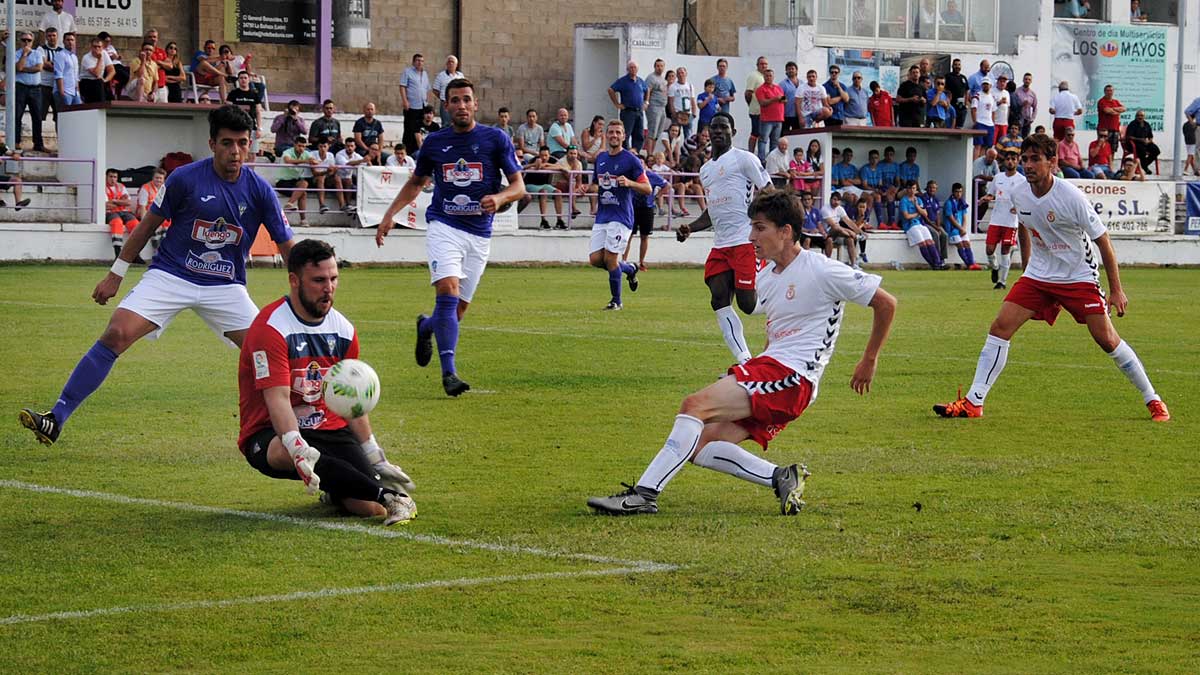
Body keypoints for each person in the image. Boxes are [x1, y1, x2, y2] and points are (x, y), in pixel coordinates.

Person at [587, 189, 897, 516]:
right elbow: (777, 334)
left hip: (794, 378)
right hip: (775, 372)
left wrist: (869, 359)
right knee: (702, 443)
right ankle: (781, 476)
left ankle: (644, 495)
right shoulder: (768, 277)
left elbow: (885, 303)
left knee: (694, 406)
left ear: (786, 232)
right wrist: (752, 369)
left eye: (760, 227)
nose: (752, 236)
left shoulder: (821, 269)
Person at [19, 106, 295, 446]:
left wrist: (303, 293)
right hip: (171, 275)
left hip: (226, 286)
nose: (235, 151)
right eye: (226, 143)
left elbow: (287, 246)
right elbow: (146, 226)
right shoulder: (184, 179)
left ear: (250, 143)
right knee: (117, 333)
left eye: (241, 143)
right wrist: (116, 274)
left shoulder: (260, 191)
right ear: (212, 143)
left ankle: (306, 432)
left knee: (269, 352)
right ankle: (56, 418)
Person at [934, 134, 1169, 423]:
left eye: (1035, 159)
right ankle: (973, 402)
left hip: (1078, 275)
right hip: (1040, 275)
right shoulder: (1020, 193)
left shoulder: (1071, 197)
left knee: (1107, 340)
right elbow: (1024, 225)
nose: (1028, 165)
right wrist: (1027, 267)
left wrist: (1116, 290)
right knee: (1000, 327)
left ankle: (1153, 399)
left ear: (1053, 162)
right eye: (1025, 159)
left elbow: (1103, 241)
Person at [237, 239, 417, 526]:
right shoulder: (269, 328)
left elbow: (350, 401)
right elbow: (278, 400)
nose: (329, 287)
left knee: (369, 509)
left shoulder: (344, 331)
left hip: (327, 428)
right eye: (319, 280)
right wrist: (297, 447)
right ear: (294, 281)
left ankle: (337, 491)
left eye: (334, 279)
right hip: (270, 432)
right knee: (287, 451)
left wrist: (374, 454)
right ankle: (392, 498)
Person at [374, 79, 525, 397]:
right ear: (446, 105)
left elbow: (518, 186)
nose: (461, 105)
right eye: (454, 100)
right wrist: (389, 215)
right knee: (448, 290)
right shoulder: (434, 143)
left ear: (475, 104)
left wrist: (499, 199)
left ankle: (426, 326)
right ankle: (449, 374)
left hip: (480, 233)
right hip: (444, 225)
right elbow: (416, 184)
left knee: (454, 313)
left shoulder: (494, 138)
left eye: (466, 99)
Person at [675, 113, 772, 364]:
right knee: (718, 298)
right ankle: (745, 361)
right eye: (714, 127)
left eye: (723, 127)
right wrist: (691, 228)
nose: (718, 131)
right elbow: (712, 210)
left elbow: (769, 191)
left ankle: (781, 301)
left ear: (733, 131)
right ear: (708, 132)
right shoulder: (706, 170)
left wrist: (766, 227)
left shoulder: (744, 159)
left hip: (744, 241)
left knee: (748, 305)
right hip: (721, 245)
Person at [589, 121, 650, 309]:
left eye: (618, 132)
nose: (614, 135)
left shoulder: (630, 159)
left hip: (621, 217)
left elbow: (647, 188)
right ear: (606, 135)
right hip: (602, 216)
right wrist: (586, 188)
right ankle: (629, 268)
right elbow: (595, 184)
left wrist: (630, 183)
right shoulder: (600, 158)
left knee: (610, 258)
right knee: (595, 259)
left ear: (624, 136)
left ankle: (616, 301)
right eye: (611, 132)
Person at [982, 148, 1027, 289]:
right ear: (1004, 161)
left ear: (1017, 161)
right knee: (989, 250)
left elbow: (1026, 198)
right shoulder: (998, 178)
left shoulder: (1022, 180)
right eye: (1008, 159)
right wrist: (986, 198)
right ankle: (995, 267)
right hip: (996, 219)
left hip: (1010, 222)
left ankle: (1002, 281)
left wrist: (1018, 207)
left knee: (1005, 251)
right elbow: (992, 194)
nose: (1010, 161)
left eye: (1013, 159)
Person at [623, 156, 668, 272]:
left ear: (645, 164)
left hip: (647, 208)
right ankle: (623, 261)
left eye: (641, 163)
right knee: (629, 235)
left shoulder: (650, 175)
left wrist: (657, 196)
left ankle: (641, 262)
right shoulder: (631, 176)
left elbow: (666, 185)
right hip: (632, 208)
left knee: (644, 236)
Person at [12, 32, 46, 152]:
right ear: (20, 41)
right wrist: (25, 55)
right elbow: (19, 68)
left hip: (35, 89)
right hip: (21, 87)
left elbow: (39, 68)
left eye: (29, 40)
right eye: (24, 40)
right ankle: (15, 142)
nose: (26, 42)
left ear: (32, 42)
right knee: (17, 116)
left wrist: (23, 69)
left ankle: (38, 144)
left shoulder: (37, 53)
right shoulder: (16, 54)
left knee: (37, 117)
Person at [899, 180, 944, 269]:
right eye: (910, 188)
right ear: (907, 189)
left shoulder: (918, 199)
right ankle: (933, 264)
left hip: (919, 224)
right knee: (923, 243)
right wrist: (917, 214)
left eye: (913, 188)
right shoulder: (903, 201)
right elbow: (907, 216)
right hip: (910, 226)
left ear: (916, 189)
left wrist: (917, 206)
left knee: (930, 241)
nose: (912, 190)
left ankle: (938, 263)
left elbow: (925, 213)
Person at [608, 61, 647, 151]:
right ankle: (625, 151)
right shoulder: (623, 81)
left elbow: (647, 89)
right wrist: (617, 104)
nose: (633, 69)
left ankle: (636, 151)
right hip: (628, 111)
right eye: (631, 67)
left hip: (639, 111)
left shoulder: (640, 81)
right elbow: (611, 90)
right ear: (628, 69)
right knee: (626, 133)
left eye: (635, 68)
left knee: (639, 134)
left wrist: (646, 102)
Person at [398, 53, 431, 153]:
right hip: (411, 106)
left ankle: (417, 149)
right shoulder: (407, 72)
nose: (420, 62)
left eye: (421, 61)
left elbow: (427, 89)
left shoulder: (425, 74)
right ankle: (406, 151)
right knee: (409, 129)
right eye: (417, 60)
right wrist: (405, 101)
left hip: (422, 106)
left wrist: (427, 102)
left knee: (419, 129)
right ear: (413, 62)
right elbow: (402, 86)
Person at [942, 182, 979, 270]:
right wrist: (960, 228)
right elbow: (951, 219)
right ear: (953, 192)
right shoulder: (949, 203)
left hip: (961, 229)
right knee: (960, 244)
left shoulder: (962, 202)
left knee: (967, 243)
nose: (958, 194)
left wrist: (964, 229)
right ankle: (969, 265)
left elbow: (965, 217)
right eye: (956, 192)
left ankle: (972, 263)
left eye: (960, 192)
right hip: (952, 229)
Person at [103, 169, 139, 259]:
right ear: (106, 177)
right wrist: (121, 201)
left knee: (135, 223)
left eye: (115, 177)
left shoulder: (121, 186)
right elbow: (106, 205)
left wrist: (114, 201)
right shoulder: (102, 187)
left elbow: (128, 202)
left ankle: (135, 254)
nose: (113, 179)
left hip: (124, 212)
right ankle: (117, 251)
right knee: (117, 223)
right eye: (110, 176)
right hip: (110, 213)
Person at [755, 69, 785, 156]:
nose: (768, 77)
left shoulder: (778, 88)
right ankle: (761, 159)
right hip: (767, 119)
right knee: (763, 140)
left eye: (770, 76)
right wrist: (775, 99)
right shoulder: (760, 89)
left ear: (773, 77)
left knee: (775, 141)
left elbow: (784, 99)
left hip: (779, 118)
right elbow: (762, 103)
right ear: (763, 77)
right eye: (766, 76)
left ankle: (772, 160)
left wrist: (779, 99)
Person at [643, 59, 670, 154]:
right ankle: (649, 154)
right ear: (654, 67)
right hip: (654, 107)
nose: (660, 68)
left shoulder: (663, 79)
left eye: (662, 66)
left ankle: (652, 152)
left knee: (658, 132)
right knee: (652, 131)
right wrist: (646, 102)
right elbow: (647, 90)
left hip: (662, 108)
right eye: (658, 66)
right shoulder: (651, 78)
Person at [431, 55, 464, 127]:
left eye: (452, 62)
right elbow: (435, 90)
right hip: (445, 104)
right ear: (446, 64)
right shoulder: (441, 75)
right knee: (446, 124)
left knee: (457, 123)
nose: (451, 64)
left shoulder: (460, 75)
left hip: (457, 103)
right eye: (449, 62)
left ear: (456, 65)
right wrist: (443, 98)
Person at [79, 37, 115, 104]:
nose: (97, 49)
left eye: (99, 47)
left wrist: (105, 80)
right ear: (91, 47)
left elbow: (112, 70)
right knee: (99, 83)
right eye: (95, 47)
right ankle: (100, 105)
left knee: (109, 94)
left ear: (102, 47)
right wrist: (100, 59)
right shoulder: (86, 57)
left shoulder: (104, 53)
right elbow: (97, 73)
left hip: (99, 81)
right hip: (87, 81)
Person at [52, 31, 82, 110]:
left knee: (79, 114)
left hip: (74, 92)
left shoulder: (74, 57)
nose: (70, 42)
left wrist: (77, 92)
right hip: (65, 91)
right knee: (64, 117)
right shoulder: (60, 55)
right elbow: (58, 75)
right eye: (68, 40)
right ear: (63, 41)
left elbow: (76, 76)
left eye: (72, 40)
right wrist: (62, 93)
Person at [744, 56, 767, 157]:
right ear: (757, 65)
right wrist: (751, 104)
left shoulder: (765, 77)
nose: (764, 66)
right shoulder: (754, 76)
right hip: (756, 111)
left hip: (765, 111)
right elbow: (748, 93)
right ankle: (751, 153)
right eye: (762, 64)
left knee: (762, 134)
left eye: (766, 64)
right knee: (755, 133)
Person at [0, 142, 32, 210]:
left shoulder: (2, 146)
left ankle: (18, 203)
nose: (2, 139)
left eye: (3, 136)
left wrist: (15, 154)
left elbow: (10, 152)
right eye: (1, 136)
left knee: (17, 180)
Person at [1096, 84, 1126, 155]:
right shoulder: (1101, 101)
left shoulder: (1116, 102)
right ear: (1104, 92)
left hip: (1115, 129)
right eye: (1108, 91)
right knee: (1103, 149)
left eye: (1111, 91)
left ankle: (1110, 165)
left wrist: (1113, 109)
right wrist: (1117, 111)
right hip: (1104, 130)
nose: (1109, 92)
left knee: (1113, 150)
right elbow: (1107, 111)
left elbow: (1124, 108)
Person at [972, 80, 997, 159]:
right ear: (982, 85)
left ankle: (981, 164)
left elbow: (993, 111)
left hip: (989, 124)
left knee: (986, 146)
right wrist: (975, 122)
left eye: (987, 84)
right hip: (980, 123)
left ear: (990, 85)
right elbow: (973, 109)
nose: (986, 86)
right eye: (984, 84)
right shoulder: (977, 95)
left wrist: (993, 123)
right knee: (978, 146)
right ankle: (975, 165)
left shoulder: (992, 97)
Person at [1013, 73, 1038, 138]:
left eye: (1029, 79)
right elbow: (1013, 106)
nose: (1027, 81)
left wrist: (1032, 119)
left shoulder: (1033, 94)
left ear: (1031, 81)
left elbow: (1035, 108)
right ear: (1023, 80)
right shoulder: (1017, 91)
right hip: (1019, 119)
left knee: (1026, 139)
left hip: (1028, 120)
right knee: (1018, 138)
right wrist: (1021, 104)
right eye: (1026, 79)